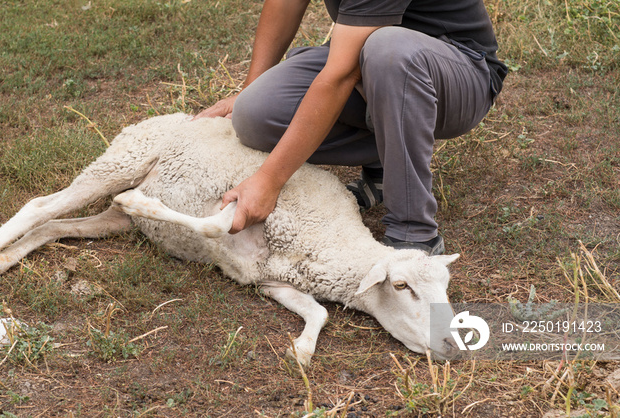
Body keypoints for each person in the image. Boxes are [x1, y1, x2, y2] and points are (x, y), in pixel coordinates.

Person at [195, 0, 508, 255]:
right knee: (256, 113)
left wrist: (268, 180)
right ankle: (386, 165)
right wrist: (248, 89)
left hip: (459, 72)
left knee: (388, 50)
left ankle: (414, 235)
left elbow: (340, 76)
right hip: (368, 59)